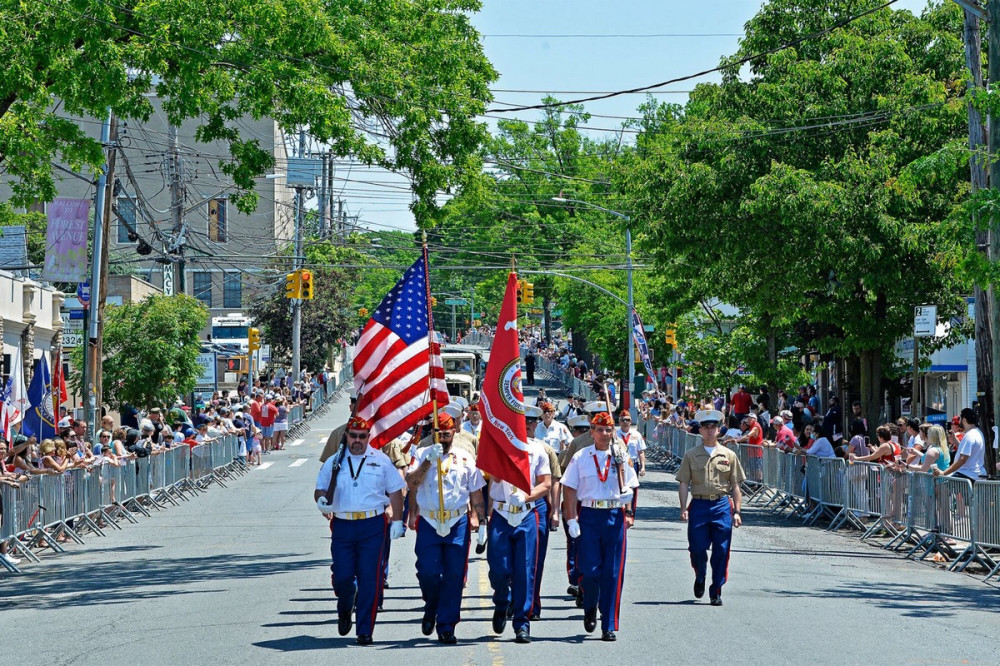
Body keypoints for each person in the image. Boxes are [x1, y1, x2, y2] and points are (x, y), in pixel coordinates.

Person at [314, 416, 405, 646]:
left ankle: (365, 630)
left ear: (368, 438)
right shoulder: (335, 462)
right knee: (343, 577)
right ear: (347, 436)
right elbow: (320, 489)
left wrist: (397, 520)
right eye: (353, 436)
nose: (357, 441)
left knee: (370, 578)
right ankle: (345, 605)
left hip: (372, 525)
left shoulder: (381, 461)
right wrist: (322, 500)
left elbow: (395, 491)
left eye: (362, 437)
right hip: (343, 524)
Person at [405, 413, 486, 644]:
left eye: (448, 433)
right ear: (433, 433)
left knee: (454, 575)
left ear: (454, 432)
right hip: (430, 521)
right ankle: (431, 606)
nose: (444, 437)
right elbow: (410, 483)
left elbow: (476, 492)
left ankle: (447, 625)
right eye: (439, 433)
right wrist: (428, 462)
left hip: (456, 521)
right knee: (428, 571)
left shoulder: (464, 457)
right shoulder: (421, 454)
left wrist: (481, 521)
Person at [561, 411, 640, 641]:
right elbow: (569, 489)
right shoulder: (581, 456)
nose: (604, 434)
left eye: (608, 430)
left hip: (614, 515)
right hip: (589, 515)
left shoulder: (620, 455)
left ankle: (609, 623)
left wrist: (628, 501)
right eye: (600, 430)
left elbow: (633, 484)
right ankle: (590, 605)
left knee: (613, 572)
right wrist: (571, 518)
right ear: (592, 432)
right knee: (590, 569)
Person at [487, 405, 552, 643]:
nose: (523, 426)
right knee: (499, 569)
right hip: (502, 514)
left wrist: (527, 496)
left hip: (526, 513)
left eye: (526, 422)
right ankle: (502, 601)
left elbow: (545, 483)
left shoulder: (538, 450)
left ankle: (521, 623)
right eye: (518, 422)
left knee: (525, 570)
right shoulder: (496, 445)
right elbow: (491, 478)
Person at [676, 409, 745, 607]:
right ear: (700, 431)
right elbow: (683, 483)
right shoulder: (691, 455)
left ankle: (716, 590)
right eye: (705, 427)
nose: (709, 431)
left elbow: (736, 486)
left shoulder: (728, 455)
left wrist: (738, 511)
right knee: (697, 547)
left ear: (719, 430)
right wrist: (683, 508)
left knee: (722, 550)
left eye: (713, 427)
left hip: (722, 505)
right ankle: (701, 574)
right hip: (698, 504)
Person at [936, 408, 986, 481]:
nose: (959, 422)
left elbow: (962, 459)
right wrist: (954, 439)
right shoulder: (977, 433)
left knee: (939, 486)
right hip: (974, 474)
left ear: (964, 420)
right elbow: (964, 451)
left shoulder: (970, 436)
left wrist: (944, 473)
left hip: (967, 474)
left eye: (960, 419)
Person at [616, 411, 646, 477]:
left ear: (631, 421)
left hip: (633, 463)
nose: (625, 422)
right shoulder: (615, 435)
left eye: (627, 420)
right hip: (620, 463)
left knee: (633, 485)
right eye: (623, 420)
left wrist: (643, 467)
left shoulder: (637, 434)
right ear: (619, 422)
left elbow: (641, 452)